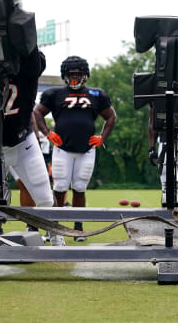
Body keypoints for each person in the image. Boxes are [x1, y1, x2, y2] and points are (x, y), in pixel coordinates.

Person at [0, 14, 56, 239]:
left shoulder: (28, 72)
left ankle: (55, 235)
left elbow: (32, 57)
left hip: (22, 142)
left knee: (44, 197)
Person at [33, 55, 117, 241]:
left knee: (79, 187)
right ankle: (54, 227)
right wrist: (47, 133)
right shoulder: (54, 94)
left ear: (85, 75)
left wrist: (102, 137)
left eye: (78, 74)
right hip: (63, 148)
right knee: (60, 186)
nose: (75, 78)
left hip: (86, 149)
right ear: (64, 75)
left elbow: (111, 117)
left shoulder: (96, 95)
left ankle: (78, 228)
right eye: (71, 74)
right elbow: (37, 112)